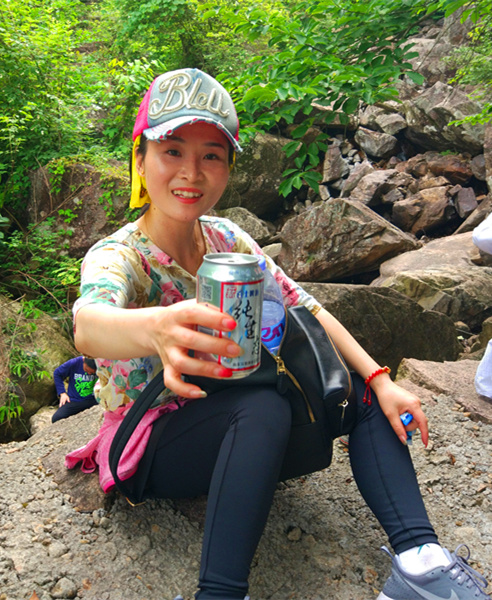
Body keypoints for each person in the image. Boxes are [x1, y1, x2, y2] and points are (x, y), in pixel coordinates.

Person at [66, 68, 489, 600]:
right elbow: (89, 324)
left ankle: (421, 563)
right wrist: (155, 328)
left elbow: (304, 307)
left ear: (228, 167)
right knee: (261, 404)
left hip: (237, 425)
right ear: (140, 158)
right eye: (172, 151)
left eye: (211, 155)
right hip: (151, 443)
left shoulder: (227, 238)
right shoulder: (119, 255)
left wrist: (381, 379)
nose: (190, 173)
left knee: (356, 388)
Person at [52, 356, 97, 423]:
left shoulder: (102, 365)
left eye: (92, 372)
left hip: (93, 400)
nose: (89, 373)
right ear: (83, 361)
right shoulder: (74, 362)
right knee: (56, 418)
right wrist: (62, 393)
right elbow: (57, 373)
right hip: (74, 400)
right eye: (86, 370)